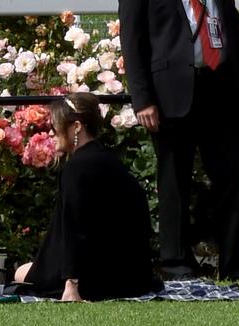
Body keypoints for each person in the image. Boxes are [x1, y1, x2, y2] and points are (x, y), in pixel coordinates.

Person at [119, 0, 239, 279]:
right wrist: (142, 100)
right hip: (169, 94)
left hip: (222, 89)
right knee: (174, 181)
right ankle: (176, 265)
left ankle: (233, 264)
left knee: (232, 176)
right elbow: (132, 40)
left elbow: (233, 28)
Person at [13, 93, 162, 301]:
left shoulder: (77, 168)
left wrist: (71, 285)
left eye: (56, 128)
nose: (52, 133)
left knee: (21, 273)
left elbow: (75, 228)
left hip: (98, 278)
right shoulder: (108, 159)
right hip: (133, 275)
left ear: (76, 126)